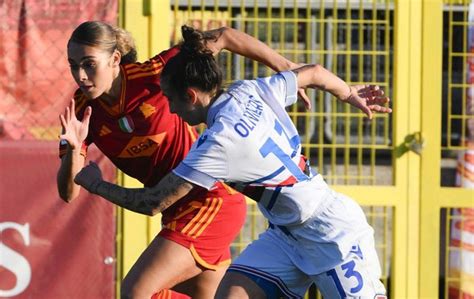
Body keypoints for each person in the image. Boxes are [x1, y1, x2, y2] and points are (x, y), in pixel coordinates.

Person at [73, 25, 392, 298]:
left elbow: (153, 201)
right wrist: (348, 92)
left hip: (329, 232)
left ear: (191, 96)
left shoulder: (217, 145)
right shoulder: (249, 90)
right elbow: (314, 73)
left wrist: (96, 185)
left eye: (170, 99)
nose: (169, 110)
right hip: (284, 236)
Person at [57, 21, 307, 299]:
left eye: (89, 64)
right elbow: (68, 193)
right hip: (175, 212)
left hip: (208, 201)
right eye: (73, 65)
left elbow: (223, 37)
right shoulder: (81, 111)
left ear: (115, 59)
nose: (80, 75)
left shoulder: (151, 74)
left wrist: (284, 64)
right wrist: (72, 149)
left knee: (136, 292)